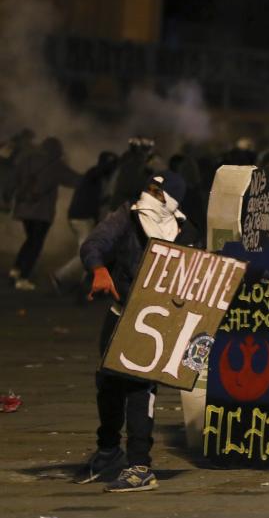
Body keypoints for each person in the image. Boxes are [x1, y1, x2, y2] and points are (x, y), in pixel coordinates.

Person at [74, 172, 197, 492]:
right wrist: (99, 270)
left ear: (171, 200)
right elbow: (94, 243)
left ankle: (140, 465)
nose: (150, 195)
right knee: (109, 385)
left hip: (157, 325)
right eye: (149, 188)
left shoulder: (186, 233)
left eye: (158, 192)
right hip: (119, 316)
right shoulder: (126, 217)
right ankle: (109, 450)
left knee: (141, 390)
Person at [9, 137, 79, 290]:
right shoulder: (55, 165)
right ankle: (23, 278)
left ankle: (16, 269)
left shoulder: (28, 160)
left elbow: (14, 178)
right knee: (35, 244)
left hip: (24, 210)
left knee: (30, 240)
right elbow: (74, 180)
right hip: (41, 213)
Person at [51, 151, 119, 294]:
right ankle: (60, 277)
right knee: (87, 253)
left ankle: (82, 282)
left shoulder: (98, 176)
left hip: (82, 217)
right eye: (111, 164)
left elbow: (98, 199)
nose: (112, 167)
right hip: (81, 218)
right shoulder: (95, 173)